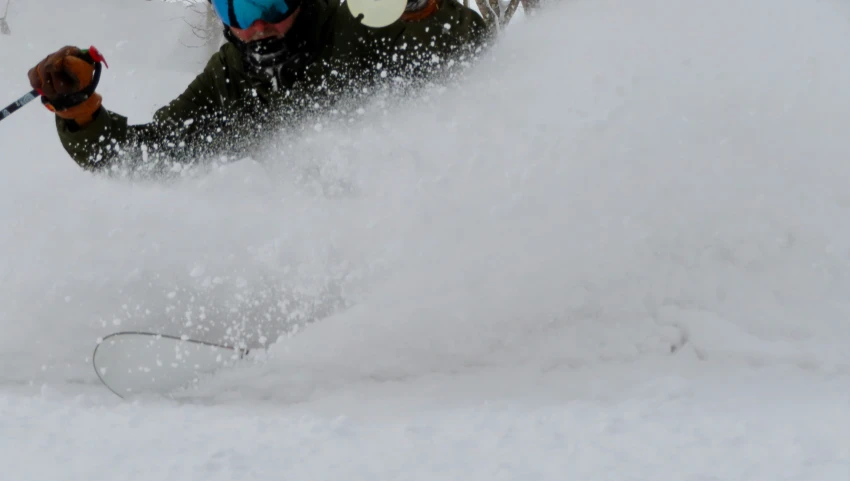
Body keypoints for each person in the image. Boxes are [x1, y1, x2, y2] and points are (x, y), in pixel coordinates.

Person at [28, 0, 488, 176]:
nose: (259, 26)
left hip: (412, 213)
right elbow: (145, 157)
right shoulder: (229, 76)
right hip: (302, 249)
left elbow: (470, 44)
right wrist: (79, 110)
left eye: (270, 3)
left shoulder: (354, 24)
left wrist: (420, 9)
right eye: (239, 12)